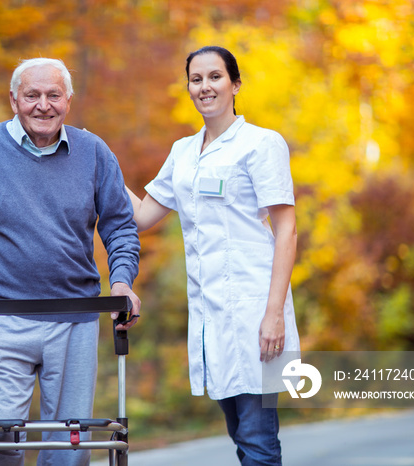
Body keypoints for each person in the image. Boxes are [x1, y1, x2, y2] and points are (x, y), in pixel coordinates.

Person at [0, 57, 141, 466]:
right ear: (14, 100)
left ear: (68, 100)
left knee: (68, 448)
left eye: (53, 95)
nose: (43, 105)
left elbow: (120, 227)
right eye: (32, 95)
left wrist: (121, 283)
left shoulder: (95, 152)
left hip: (75, 319)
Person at [126, 46, 300, 466]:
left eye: (215, 77)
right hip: (211, 316)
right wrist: (98, 163)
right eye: (196, 79)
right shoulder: (183, 152)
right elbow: (143, 214)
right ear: (188, 87)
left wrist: (273, 312)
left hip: (256, 308)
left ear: (235, 84)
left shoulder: (261, 144)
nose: (205, 86)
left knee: (258, 439)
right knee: (240, 435)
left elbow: (287, 228)